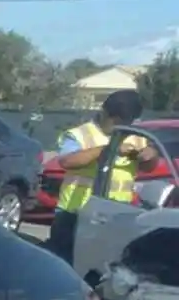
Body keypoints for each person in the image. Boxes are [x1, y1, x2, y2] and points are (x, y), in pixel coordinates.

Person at [49, 88, 149, 263]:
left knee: (106, 266)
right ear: (104, 112)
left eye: (126, 122)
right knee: (64, 263)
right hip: (75, 213)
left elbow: (149, 166)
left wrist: (149, 156)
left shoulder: (135, 137)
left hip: (118, 214)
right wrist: (109, 149)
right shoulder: (80, 134)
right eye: (115, 121)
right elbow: (68, 161)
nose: (120, 126)